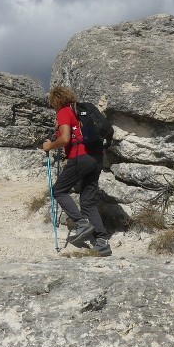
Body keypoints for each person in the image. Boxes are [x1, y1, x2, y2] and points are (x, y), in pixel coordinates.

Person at [42, 86, 111, 256]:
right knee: (87, 201)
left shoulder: (65, 111)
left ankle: (81, 223)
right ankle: (101, 242)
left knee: (58, 190)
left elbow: (65, 139)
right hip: (96, 158)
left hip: (80, 157)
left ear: (55, 101)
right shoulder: (81, 111)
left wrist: (50, 145)